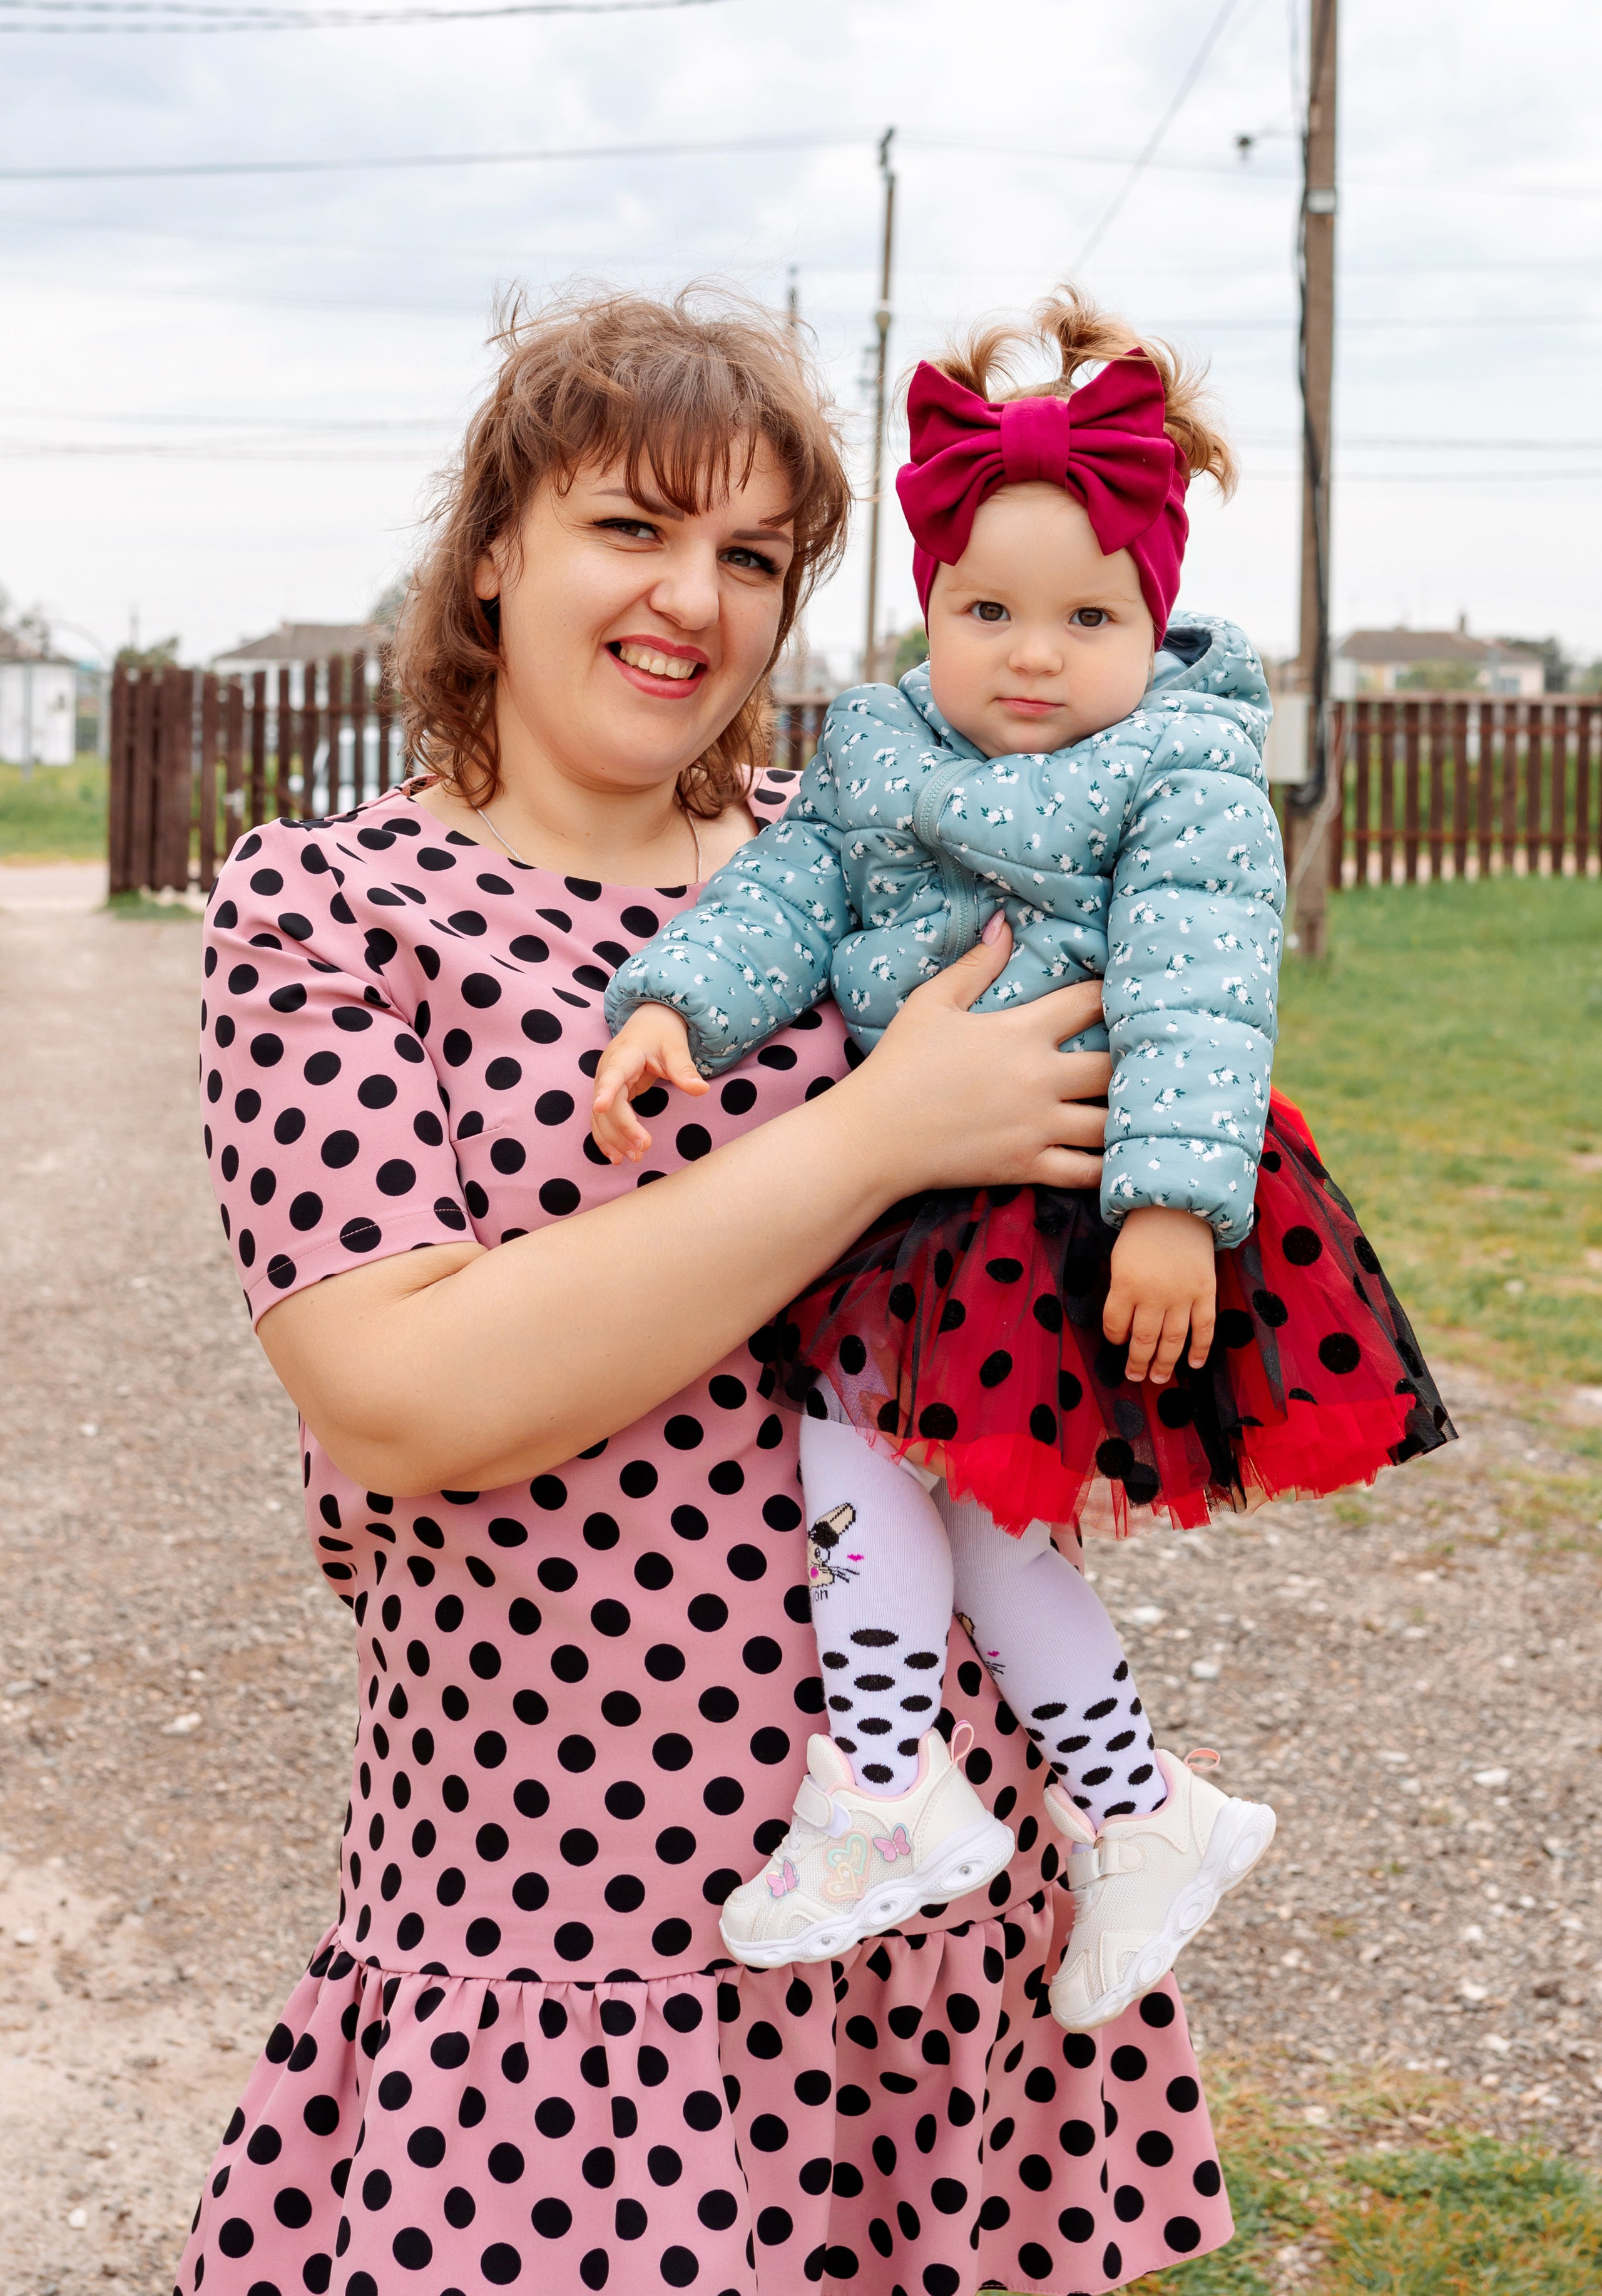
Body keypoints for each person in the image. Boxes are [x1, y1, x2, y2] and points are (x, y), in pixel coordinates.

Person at [178, 287, 1238, 2296]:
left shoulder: (865, 857)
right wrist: (872, 1133)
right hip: (568, 1955)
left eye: (754, 558)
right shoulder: (332, 915)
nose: (696, 600)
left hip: (930, 1920)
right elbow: (407, 1393)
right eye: (632, 529)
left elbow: (1104, 1197)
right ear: (494, 548)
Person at [593, 290, 1454, 2026]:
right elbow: (786, 892)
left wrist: (1167, 1207)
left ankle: (908, 1784)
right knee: (959, 1499)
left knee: (903, 1462)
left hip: (1078, 1194)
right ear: (931, 611)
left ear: (1158, 618)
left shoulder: (1185, 772)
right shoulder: (882, 750)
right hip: (928, 1196)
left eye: (1088, 614)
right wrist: (683, 996)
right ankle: (1116, 1807)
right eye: (987, 611)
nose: (1035, 656)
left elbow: (1207, 989)